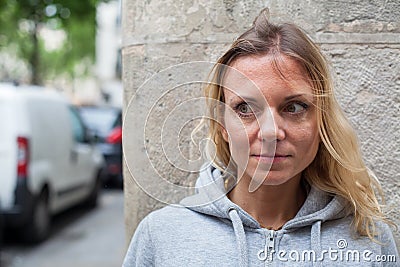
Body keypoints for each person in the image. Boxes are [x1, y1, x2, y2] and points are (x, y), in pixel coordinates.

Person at [123, 8, 399, 266]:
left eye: (294, 107)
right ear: (222, 124)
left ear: (321, 120)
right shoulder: (161, 237)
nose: (270, 132)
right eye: (245, 109)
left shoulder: (369, 239)